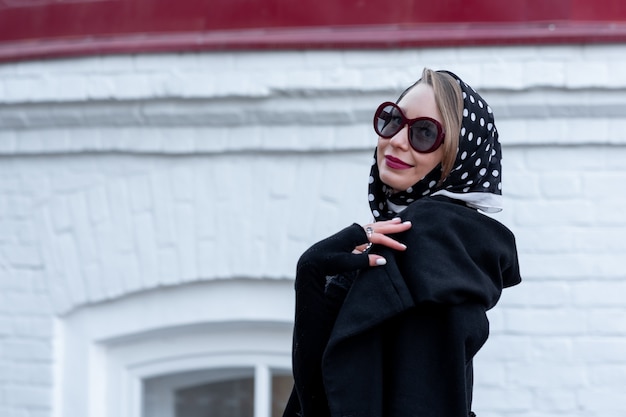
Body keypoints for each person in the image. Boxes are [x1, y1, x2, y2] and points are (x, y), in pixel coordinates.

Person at [282, 68, 522, 417]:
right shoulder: (400, 241)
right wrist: (311, 275)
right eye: (393, 120)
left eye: (424, 132)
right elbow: (320, 398)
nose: (396, 140)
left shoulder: (431, 250)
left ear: (456, 156)